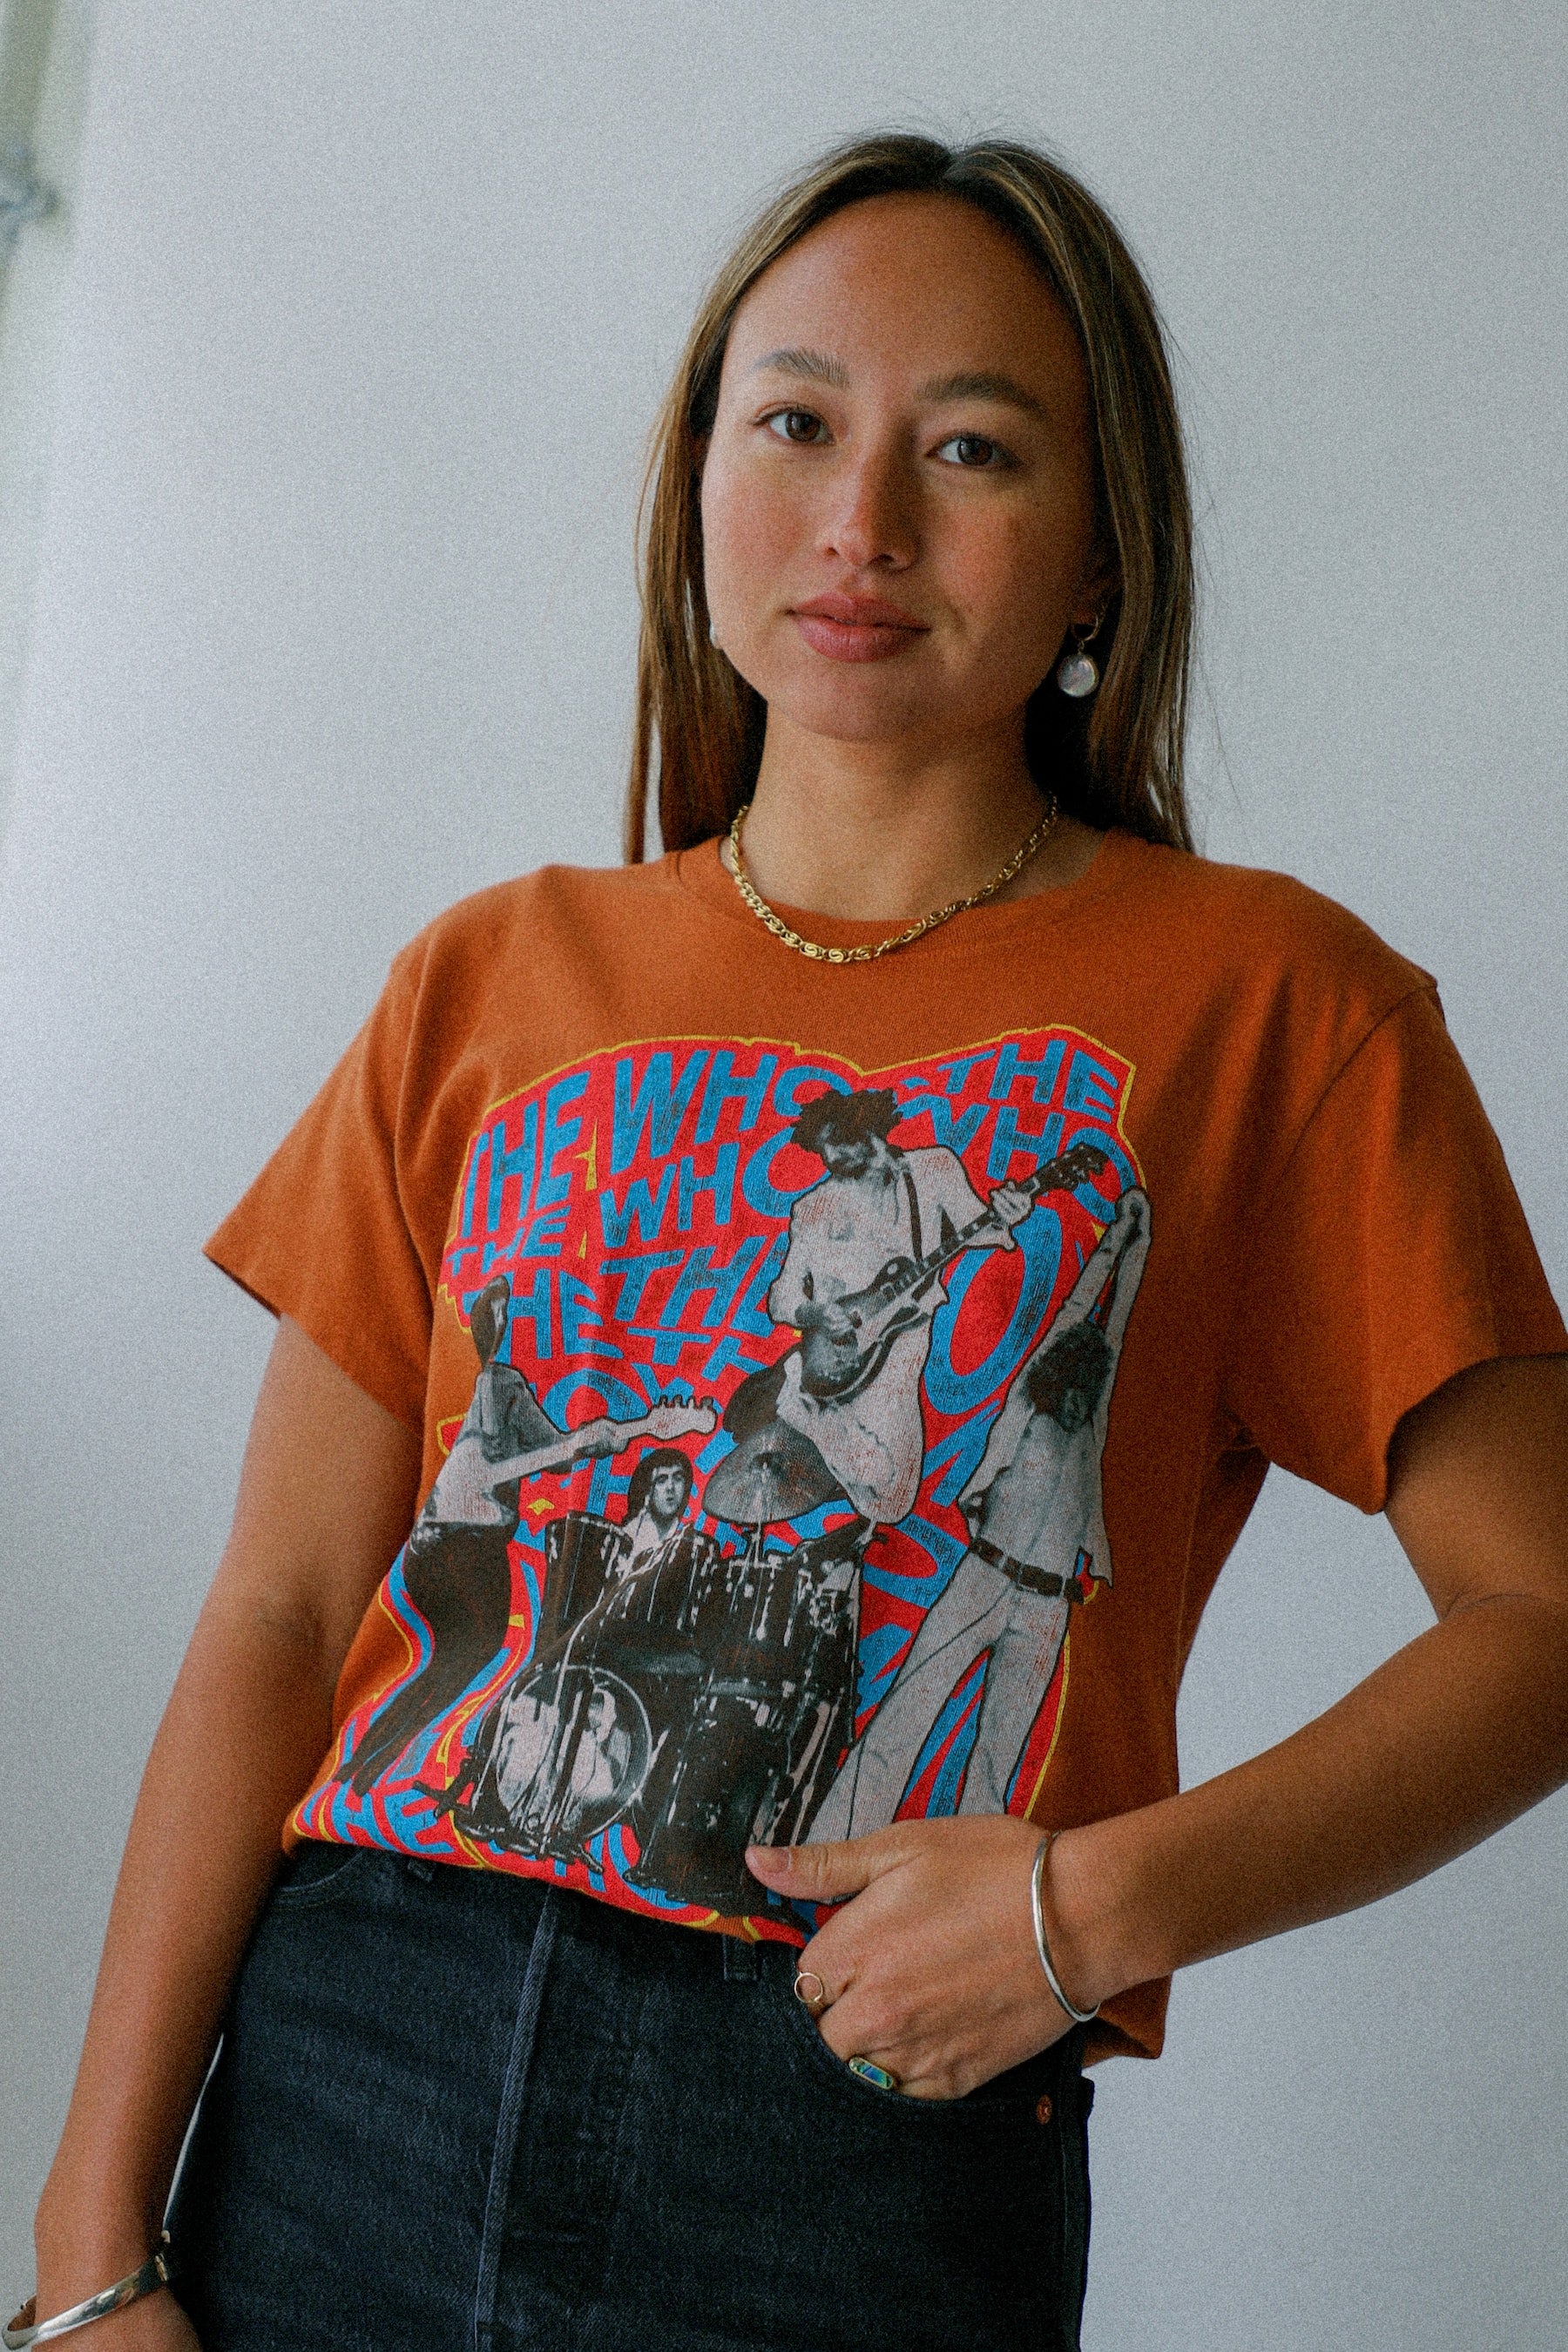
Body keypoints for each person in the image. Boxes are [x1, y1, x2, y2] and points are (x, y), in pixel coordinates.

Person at [18, 131, 1567, 2352]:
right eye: (797, 424)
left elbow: (1542, 1614)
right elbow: (276, 1615)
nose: (865, 523)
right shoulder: (490, 977)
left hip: (855, 2138)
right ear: (699, 485)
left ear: (1103, 549)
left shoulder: (1277, 1009)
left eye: (973, 447)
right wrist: (91, 2252)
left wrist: (1091, 1909)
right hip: (353, 2078)